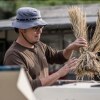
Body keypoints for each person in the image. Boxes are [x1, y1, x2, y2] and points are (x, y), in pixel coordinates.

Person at [3, 7, 87, 90]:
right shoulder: (13, 55)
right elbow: (28, 87)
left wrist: (70, 48)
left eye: (41, 27)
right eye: (35, 28)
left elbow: (59, 57)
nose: (40, 31)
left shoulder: (39, 45)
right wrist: (59, 73)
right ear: (22, 29)